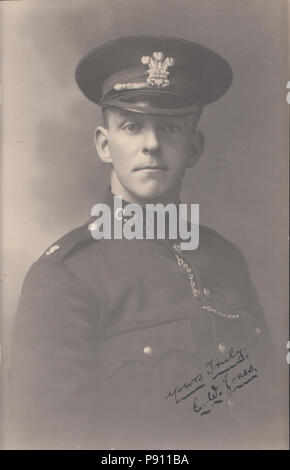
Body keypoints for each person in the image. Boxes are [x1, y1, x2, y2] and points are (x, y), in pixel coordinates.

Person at [10, 35, 281, 450]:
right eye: (132, 126)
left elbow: (269, 415)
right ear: (105, 144)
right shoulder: (65, 279)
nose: (151, 144)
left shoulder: (224, 258)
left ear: (194, 147)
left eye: (170, 127)